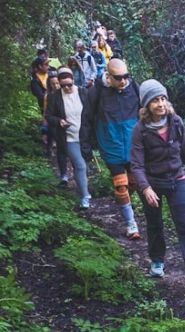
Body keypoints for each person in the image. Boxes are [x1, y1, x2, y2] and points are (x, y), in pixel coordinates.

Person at [130, 79, 185, 292]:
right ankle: (157, 260)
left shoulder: (176, 122)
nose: (160, 104)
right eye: (155, 100)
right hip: (152, 183)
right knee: (155, 223)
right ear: (146, 105)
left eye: (163, 99)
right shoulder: (140, 130)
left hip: (177, 179)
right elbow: (136, 165)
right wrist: (145, 187)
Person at [80, 58, 142, 239]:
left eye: (125, 76)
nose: (123, 80)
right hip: (110, 145)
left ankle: (123, 203)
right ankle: (132, 225)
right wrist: (86, 146)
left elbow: (145, 113)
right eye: (118, 77)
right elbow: (86, 119)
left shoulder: (134, 89)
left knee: (133, 183)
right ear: (108, 75)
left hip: (133, 146)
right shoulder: (96, 92)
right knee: (121, 184)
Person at [45, 67, 92, 209]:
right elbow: (49, 116)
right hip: (68, 137)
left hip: (85, 136)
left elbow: (92, 112)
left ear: (73, 80)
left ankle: (85, 189)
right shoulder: (55, 97)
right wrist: (59, 121)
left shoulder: (83, 92)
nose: (67, 87)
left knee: (85, 165)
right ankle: (85, 197)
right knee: (79, 165)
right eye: (63, 85)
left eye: (69, 84)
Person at [43, 72, 69, 184]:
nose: (56, 86)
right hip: (56, 124)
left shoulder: (69, 92)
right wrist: (44, 130)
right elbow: (46, 114)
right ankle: (64, 174)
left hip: (72, 125)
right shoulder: (49, 96)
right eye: (53, 84)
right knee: (61, 147)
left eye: (57, 83)